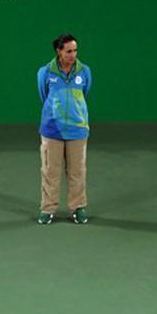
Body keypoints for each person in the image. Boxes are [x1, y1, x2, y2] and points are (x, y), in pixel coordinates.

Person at [36, 33, 92, 225]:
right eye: (68, 51)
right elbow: (44, 95)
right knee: (50, 170)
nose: (73, 55)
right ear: (59, 51)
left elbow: (85, 94)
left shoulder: (84, 72)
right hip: (52, 130)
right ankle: (47, 208)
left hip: (77, 130)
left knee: (77, 171)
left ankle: (78, 208)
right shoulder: (45, 72)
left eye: (75, 50)